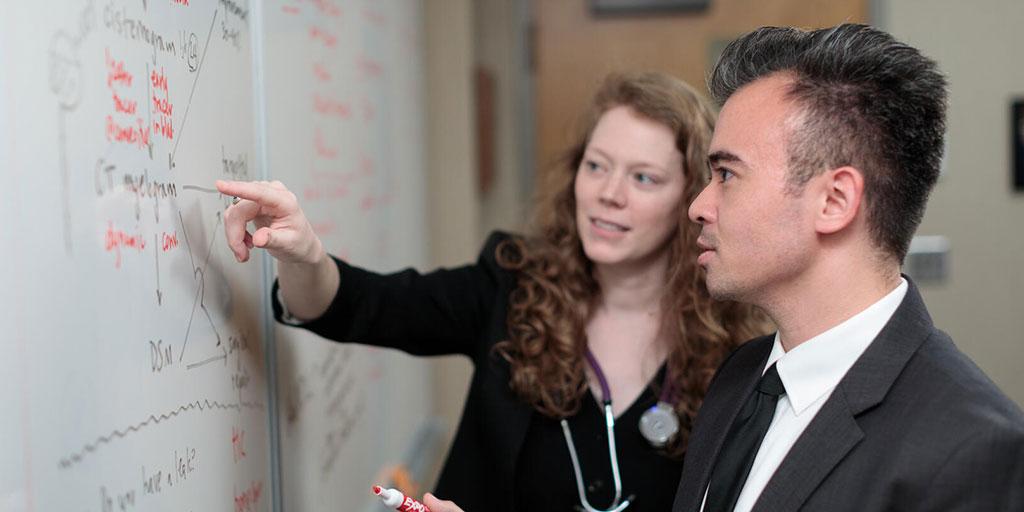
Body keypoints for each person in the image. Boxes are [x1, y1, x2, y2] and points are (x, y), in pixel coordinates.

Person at [217, 71, 768, 512]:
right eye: (596, 166)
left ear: (690, 199)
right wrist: (305, 253)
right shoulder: (512, 288)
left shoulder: (736, 354)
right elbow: (356, 305)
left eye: (643, 178)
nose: (608, 194)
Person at [671, 24, 1024, 512]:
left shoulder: (970, 446)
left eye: (728, 174)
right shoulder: (741, 376)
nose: (698, 206)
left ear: (834, 201)